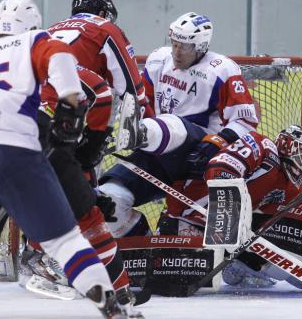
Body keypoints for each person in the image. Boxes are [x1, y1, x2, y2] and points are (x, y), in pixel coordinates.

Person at [0, 0, 137, 318]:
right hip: (22, 142)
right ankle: (119, 300)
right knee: (75, 230)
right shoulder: (37, 41)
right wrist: (77, 120)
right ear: (34, 25)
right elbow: (91, 84)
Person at [98, 12, 259, 238]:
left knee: (171, 123)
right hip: (160, 153)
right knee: (107, 200)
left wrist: (216, 143)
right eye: (174, 43)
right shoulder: (158, 61)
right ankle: (145, 253)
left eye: (184, 47)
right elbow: (145, 103)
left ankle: (140, 133)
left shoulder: (222, 69)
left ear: (201, 47)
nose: (176, 52)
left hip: (197, 154)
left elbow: (246, 120)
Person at [152, 125, 302, 291]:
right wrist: (230, 220)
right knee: (171, 274)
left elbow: (275, 225)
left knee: (283, 266)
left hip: (226, 239)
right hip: (186, 219)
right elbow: (220, 168)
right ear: (290, 146)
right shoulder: (264, 147)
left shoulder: (294, 187)